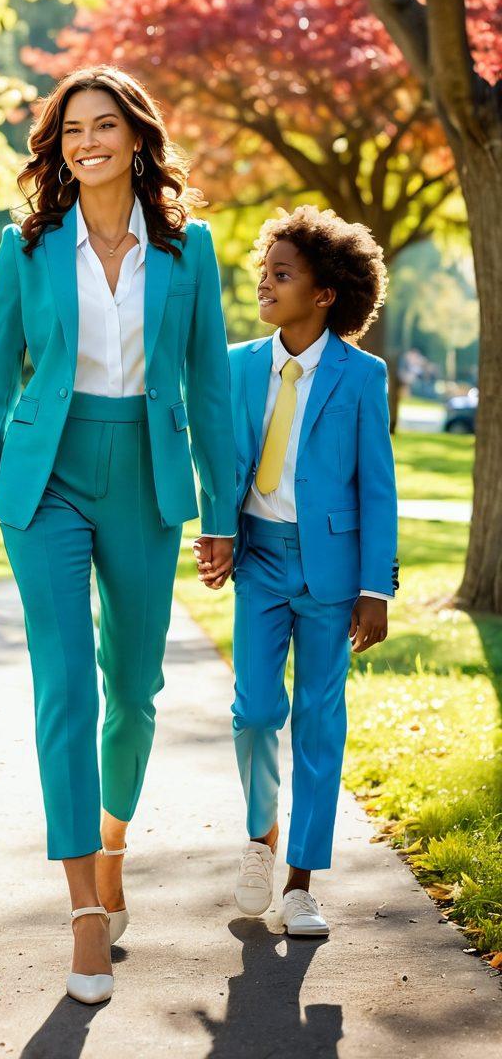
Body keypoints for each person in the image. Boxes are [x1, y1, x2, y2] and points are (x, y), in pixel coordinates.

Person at [0, 65, 237, 1003]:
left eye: (104, 125)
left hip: (147, 480)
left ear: (137, 137)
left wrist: (222, 511)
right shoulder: (26, 247)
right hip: (48, 480)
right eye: (71, 130)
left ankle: (112, 839)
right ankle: (81, 910)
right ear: (56, 147)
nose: (86, 142)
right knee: (64, 684)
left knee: (135, 690)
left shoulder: (190, 251)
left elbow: (210, 387)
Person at [221, 206, 398, 938]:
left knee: (320, 722)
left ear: (326, 294)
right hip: (260, 559)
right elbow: (219, 462)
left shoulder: (361, 376)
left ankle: (300, 882)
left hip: (333, 572)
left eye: (283, 274)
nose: (266, 283)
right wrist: (217, 532)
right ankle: (260, 835)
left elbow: (377, 486)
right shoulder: (237, 365)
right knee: (256, 711)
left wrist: (376, 588)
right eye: (265, 270)